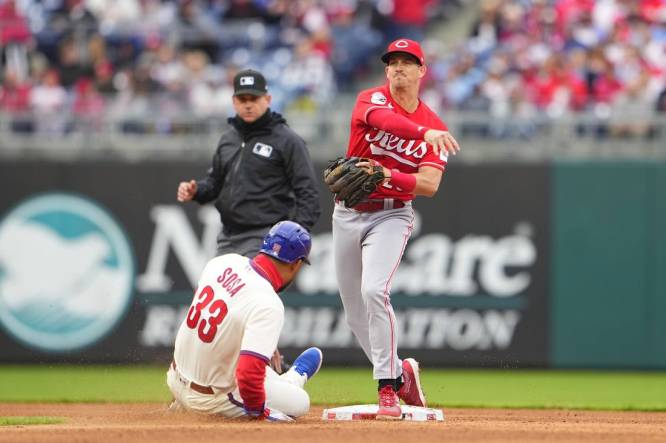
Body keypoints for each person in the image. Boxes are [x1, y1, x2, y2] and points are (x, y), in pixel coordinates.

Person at [332, 38, 460, 419]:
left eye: (408, 62)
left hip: (392, 214)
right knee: (354, 312)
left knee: (374, 290)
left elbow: (429, 186)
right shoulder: (371, 100)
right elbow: (385, 122)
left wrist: (388, 173)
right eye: (393, 62)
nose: (399, 68)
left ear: (422, 71)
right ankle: (402, 372)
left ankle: (386, 387)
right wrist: (421, 136)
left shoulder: (436, 126)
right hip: (347, 212)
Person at [167, 220, 323, 421]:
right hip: (209, 400)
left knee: (258, 369)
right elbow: (248, 374)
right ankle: (293, 380)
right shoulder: (269, 303)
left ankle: (290, 379)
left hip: (174, 378)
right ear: (296, 264)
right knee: (300, 402)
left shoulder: (223, 262)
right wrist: (259, 413)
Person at [177, 68, 321, 257]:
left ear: (267, 100)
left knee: (250, 287)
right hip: (227, 237)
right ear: (234, 102)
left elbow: (308, 193)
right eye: (242, 100)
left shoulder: (287, 140)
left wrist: (292, 237)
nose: (248, 105)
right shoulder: (228, 138)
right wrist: (196, 191)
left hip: (265, 237)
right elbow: (215, 183)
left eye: (254, 99)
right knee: (215, 287)